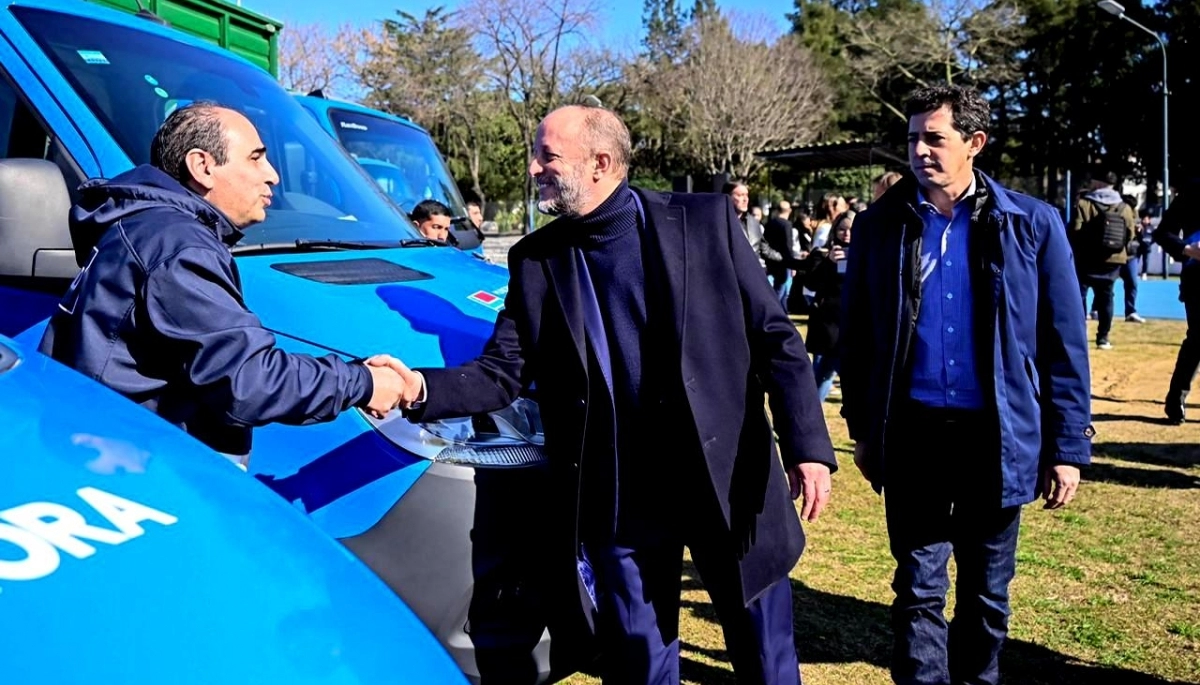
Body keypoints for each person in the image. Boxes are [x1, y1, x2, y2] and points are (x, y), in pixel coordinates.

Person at [388, 104, 836, 684]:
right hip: (620, 499)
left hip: (725, 481)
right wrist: (416, 386)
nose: (533, 168)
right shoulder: (536, 260)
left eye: (548, 156)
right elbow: (500, 373)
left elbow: (775, 338)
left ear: (601, 163)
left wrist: (808, 445)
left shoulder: (703, 222)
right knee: (639, 667)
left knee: (766, 662)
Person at [839, 84, 1092, 685]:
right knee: (918, 588)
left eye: (934, 138)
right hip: (914, 433)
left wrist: (1067, 448)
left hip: (995, 436)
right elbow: (859, 338)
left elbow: (1063, 344)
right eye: (912, 138)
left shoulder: (1032, 223)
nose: (919, 150)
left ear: (974, 143)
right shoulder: (879, 227)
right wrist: (862, 430)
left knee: (986, 593)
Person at [38, 102, 412, 464]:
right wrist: (363, 383)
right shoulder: (179, 246)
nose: (273, 175)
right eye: (255, 157)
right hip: (134, 465)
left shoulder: (145, 225)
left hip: (97, 445)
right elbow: (251, 381)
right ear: (202, 166)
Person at [1069, 171, 1135, 349]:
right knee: (1107, 297)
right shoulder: (1124, 207)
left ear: (1098, 184)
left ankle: (1078, 334)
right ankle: (1103, 337)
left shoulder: (1084, 203)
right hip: (1113, 259)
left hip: (1086, 258)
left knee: (1079, 296)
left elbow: (1075, 229)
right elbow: (1130, 233)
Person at [1152, 188, 1200, 425]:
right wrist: (1188, 250)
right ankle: (1176, 399)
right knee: (1198, 340)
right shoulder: (1193, 192)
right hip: (1198, 278)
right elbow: (1163, 233)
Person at [801, 209, 853, 402]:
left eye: (851, 230)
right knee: (822, 373)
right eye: (842, 229)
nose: (846, 234)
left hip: (852, 323)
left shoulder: (866, 255)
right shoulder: (821, 254)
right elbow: (810, 283)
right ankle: (810, 417)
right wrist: (829, 262)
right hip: (827, 324)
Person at [763, 199, 801, 307]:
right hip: (783, 261)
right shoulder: (786, 225)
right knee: (780, 288)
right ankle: (773, 308)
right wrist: (792, 263)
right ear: (789, 210)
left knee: (781, 288)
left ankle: (783, 312)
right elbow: (788, 245)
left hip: (771, 259)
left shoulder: (770, 223)